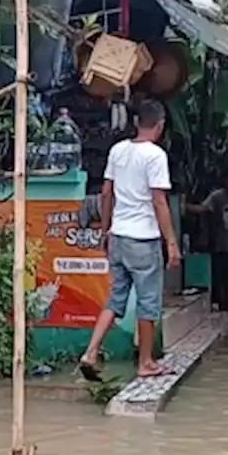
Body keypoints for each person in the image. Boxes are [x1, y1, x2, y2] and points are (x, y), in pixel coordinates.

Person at [79, 99, 181, 381]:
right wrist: (171, 242)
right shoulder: (155, 156)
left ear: (137, 122)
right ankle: (146, 362)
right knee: (148, 303)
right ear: (160, 125)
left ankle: (90, 351)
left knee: (116, 298)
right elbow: (159, 201)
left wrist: (105, 230)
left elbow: (106, 193)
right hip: (143, 240)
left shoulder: (118, 150)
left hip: (118, 237)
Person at [187, 166, 228, 314]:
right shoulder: (217, 196)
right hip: (225, 243)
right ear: (225, 180)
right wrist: (184, 206)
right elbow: (203, 208)